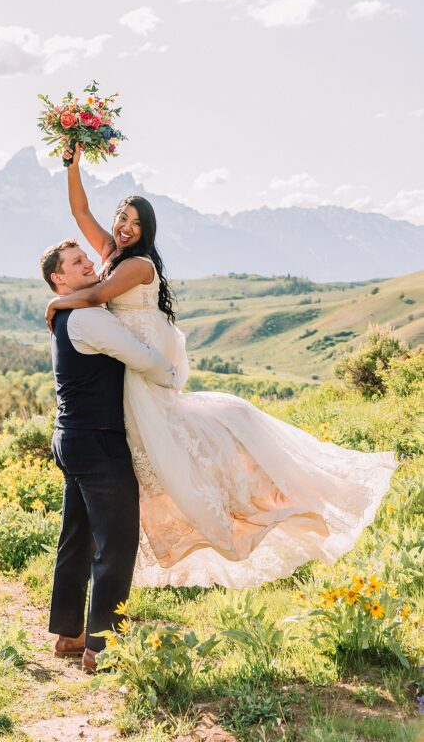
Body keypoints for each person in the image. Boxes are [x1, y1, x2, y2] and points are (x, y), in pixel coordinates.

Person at [44, 143, 398, 590]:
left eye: (136, 223)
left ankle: (248, 503)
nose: (126, 227)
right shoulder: (112, 250)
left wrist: (59, 301)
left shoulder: (135, 264)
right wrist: (72, 167)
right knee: (148, 446)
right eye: (123, 218)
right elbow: (79, 210)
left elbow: (96, 297)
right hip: (131, 363)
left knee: (166, 442)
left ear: (147, 231)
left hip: (144, 362)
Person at [40, 237, 179, 671]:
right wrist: (171, 376)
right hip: (98, 442)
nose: (88, 264)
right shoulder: (86, 319)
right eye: (76, 262)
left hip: (70, 438)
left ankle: (69, 635)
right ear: (59, 280)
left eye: (86, 257)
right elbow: (143, 358)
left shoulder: (68, 317)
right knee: (117, 544)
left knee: (77, 538)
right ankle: (102, 648)